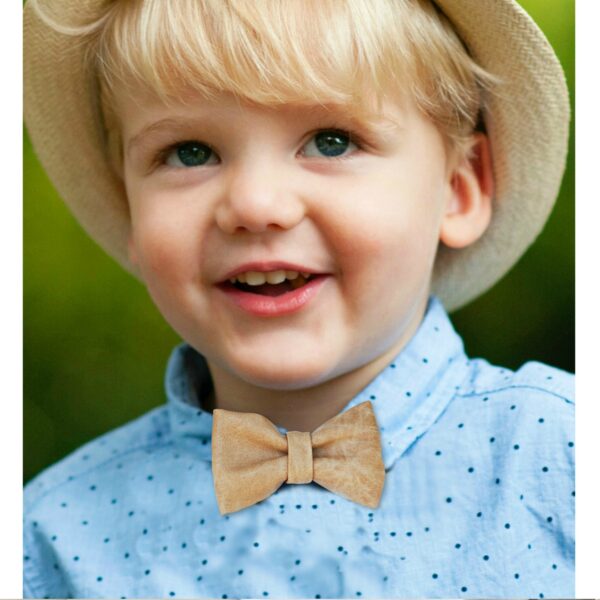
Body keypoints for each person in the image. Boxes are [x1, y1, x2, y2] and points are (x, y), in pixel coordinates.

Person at [23, 0, 573, 598]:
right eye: (189, 152)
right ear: (131, 211)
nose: (257, 204)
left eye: (332, 142)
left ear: (460, 190)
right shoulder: (52, 540)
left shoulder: (565, 460)